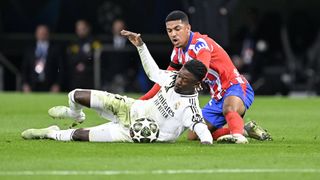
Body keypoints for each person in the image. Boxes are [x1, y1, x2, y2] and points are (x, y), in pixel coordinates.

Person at [21, 30, 213, 145]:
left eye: (184, 79)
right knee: (75, 95)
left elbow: (201, 128)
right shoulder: (172, 78)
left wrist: (206, 142)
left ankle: (50, 133)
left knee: (79, 136)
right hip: (128, 108)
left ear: (196, 84)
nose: (179, 80)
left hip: (132, 134)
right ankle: (75, 115)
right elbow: (153, 72)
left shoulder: (190, 107)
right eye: (180, 75)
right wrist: (140, 46)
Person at [139, 10, 271, 143]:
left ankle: (238, 136)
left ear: (188, 28)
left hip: (235, 85)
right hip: (217, 95)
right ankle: (245, 130)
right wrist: (143, 100)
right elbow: (164, 81)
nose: (173, 34)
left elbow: (203, 67)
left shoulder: (199, 44)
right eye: (169, 30)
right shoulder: (177, 52)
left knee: (229, 108)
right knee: (193, 135)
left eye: (177, 29)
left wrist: (195, 82)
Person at [22, 25, 63, 92]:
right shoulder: (30, 49)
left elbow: (60, 68)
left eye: (44, 33)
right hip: (33, 84)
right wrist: (25, 83)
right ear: (36, 34)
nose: (42, 35)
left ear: (48, 34)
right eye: (40, 33)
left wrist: (57, 84)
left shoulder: (55, 49)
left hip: (50, 85)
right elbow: (25, 68)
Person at [66, 20, 101, 90]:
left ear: (88, 29)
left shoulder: (94, 42)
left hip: (90, 76)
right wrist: (78, 64)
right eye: (79, 29)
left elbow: (97, 57)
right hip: (76, 77)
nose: (81, 31)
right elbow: (70, 57)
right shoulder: (73, 42)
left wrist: (85, 65)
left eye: (83, 29)